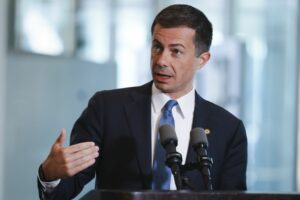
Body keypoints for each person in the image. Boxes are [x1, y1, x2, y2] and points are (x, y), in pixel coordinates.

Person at [37, 4, 247, 199]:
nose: (162, 60)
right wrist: (50, 174)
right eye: (157, 47)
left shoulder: (228, 129)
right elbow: (65, 190)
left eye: (176, 51)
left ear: (202, 60)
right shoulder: (107, 108)